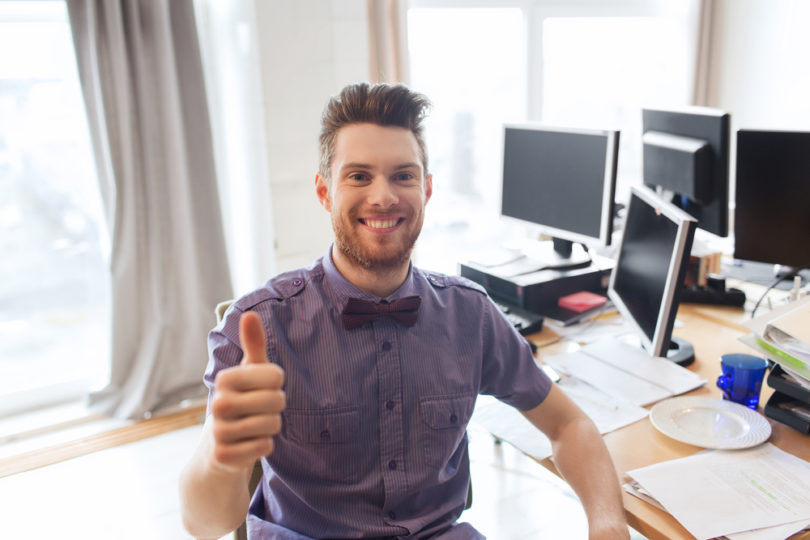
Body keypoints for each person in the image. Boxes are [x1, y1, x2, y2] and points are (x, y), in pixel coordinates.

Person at [179, 82, 630, 539]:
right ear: (324, 192)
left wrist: (608, 522)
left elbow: (569, 423)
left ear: (427, 189)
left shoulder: (469, 315)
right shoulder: (259, 327)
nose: (383, 197)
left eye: (403, 176)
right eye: (358, 176)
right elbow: (205, 525)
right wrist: (224, 456)